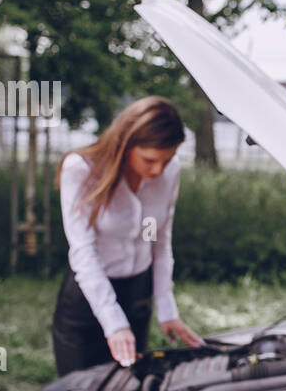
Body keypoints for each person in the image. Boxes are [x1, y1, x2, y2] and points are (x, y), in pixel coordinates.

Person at [51, 95, 204, 376]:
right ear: (126, 143)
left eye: (166, 160)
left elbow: (160, 242)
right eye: (149, 160)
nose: (158, 170)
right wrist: (114, 323)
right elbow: (83, 252)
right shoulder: (81, 170)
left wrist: (167, 309)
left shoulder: (169, 173)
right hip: (88, 299)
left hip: (137, 295)